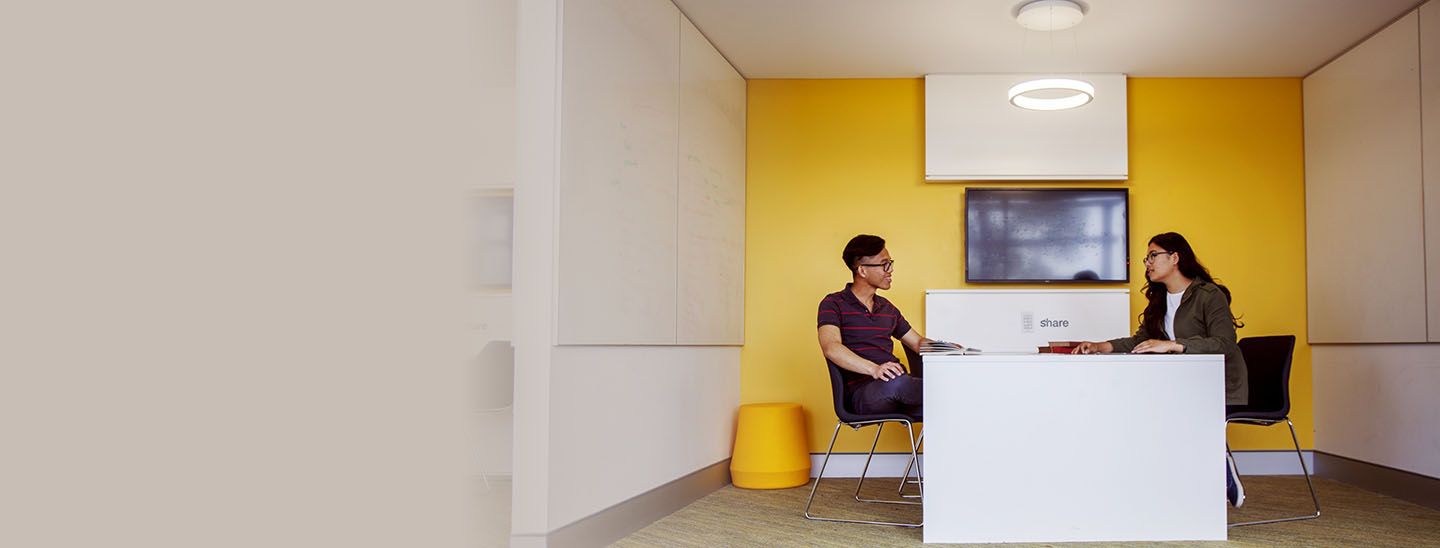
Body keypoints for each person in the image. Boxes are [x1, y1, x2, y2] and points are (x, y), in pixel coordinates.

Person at [1074, 232, 1250, 507]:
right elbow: (1140, 341)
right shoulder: (1160, 299)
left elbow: (1225, 343)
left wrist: (1172, 345)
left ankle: (1221, 469)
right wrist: (1099, 346)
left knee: (1164, 414)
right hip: (1180, 384)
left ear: (1175, 257)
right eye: (1147, 258)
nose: (1148, 263)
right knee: (1139, 407)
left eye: (1153, 256)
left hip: (1214, 385)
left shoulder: (1208, 295)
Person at [817, 234, 954, 417]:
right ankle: (958, 390)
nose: (890, 270)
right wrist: (874, 369)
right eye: (884, 264)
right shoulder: (833, 303)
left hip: (900, 388)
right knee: (903, 383)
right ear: (862, 271)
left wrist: (948, 348)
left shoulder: (887, 308)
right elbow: (831, 347)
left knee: (945, 410)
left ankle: (958, 391)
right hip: (864, 394)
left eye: (890, 263)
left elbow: (917, 342)